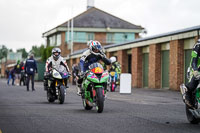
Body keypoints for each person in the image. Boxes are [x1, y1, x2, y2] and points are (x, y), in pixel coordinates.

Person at [180, 39, 200, 108]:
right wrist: (195, 70)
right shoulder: (197, 46)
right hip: (195, 68)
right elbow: (194, 61)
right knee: (193, 83)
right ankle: (187, 91)